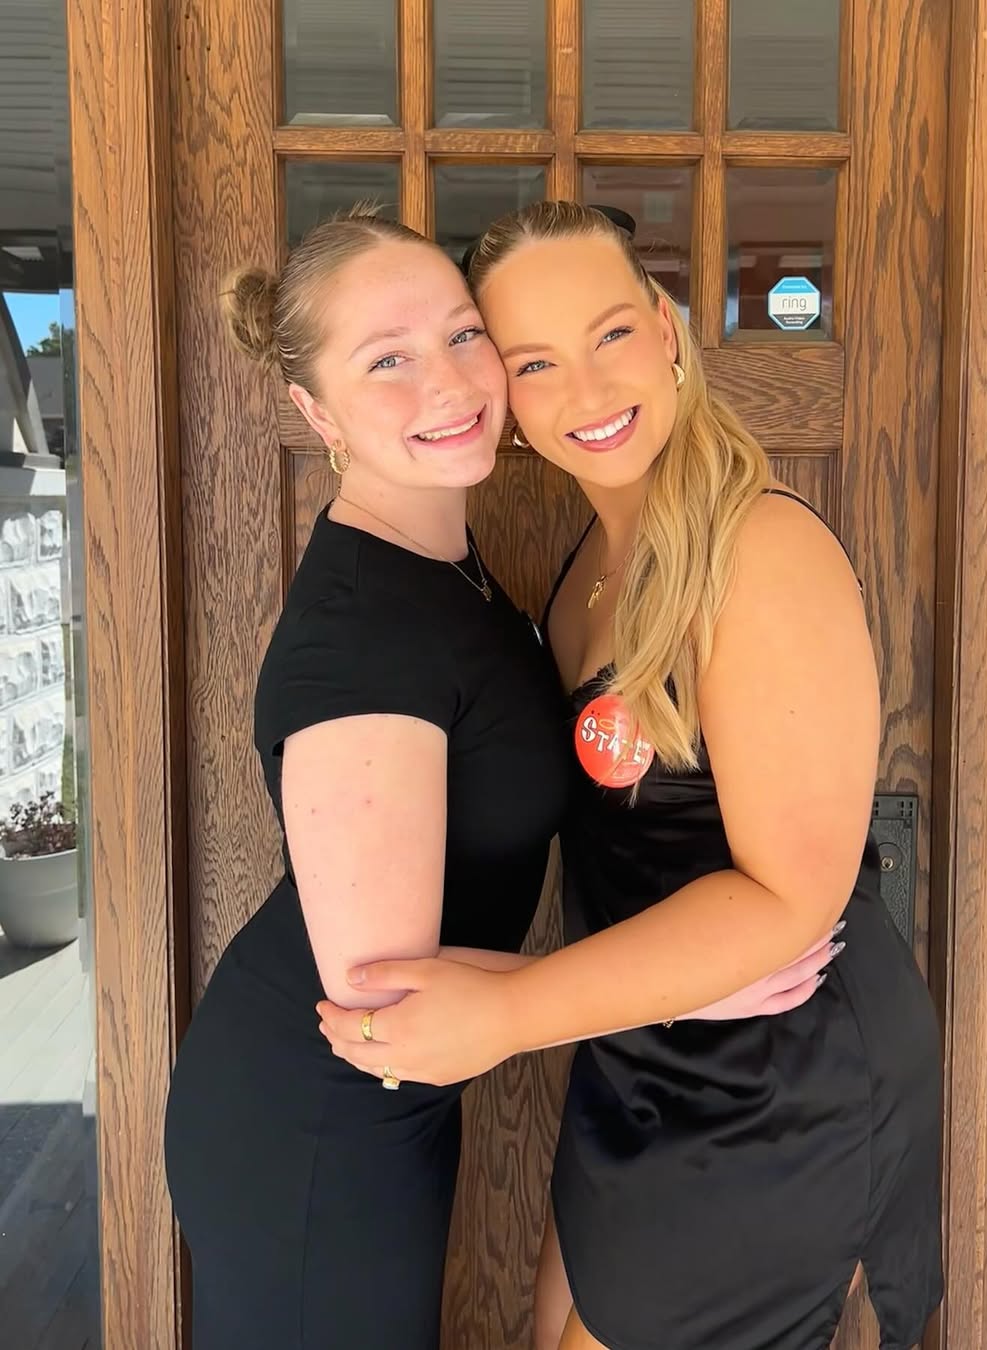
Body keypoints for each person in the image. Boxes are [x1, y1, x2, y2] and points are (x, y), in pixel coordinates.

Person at [163, 203, 842, 1350]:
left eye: (462, 335)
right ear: (316, 412)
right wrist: (678, 986)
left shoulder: (448, 565)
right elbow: (380, 1000)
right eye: (386, 360)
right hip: (318, 1123)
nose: (446, 382)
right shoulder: (362, 637)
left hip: (387, 1107)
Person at [318, 201, 945, 1350]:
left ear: (666, 329)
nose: (589, 391)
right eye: (535, 362)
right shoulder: (586, 574)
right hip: (643, 1046)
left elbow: (792, 895)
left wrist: (510, 1014)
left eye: (610, 334)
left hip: (775, 1077)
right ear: (502, 394)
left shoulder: (758, 550)